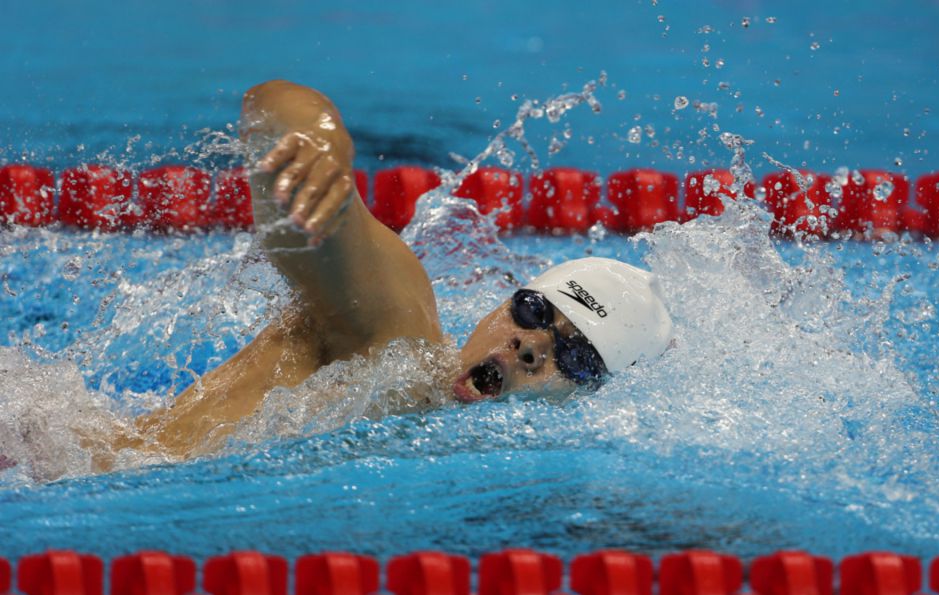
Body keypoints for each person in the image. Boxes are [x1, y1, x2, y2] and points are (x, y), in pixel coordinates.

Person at [107, 80, 673, 463]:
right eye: (534, 311)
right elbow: (275, 105)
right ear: (501, 303)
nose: (531, 347)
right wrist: (320, 140)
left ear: (589, 398)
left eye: (575, 357)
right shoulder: (391, 338)